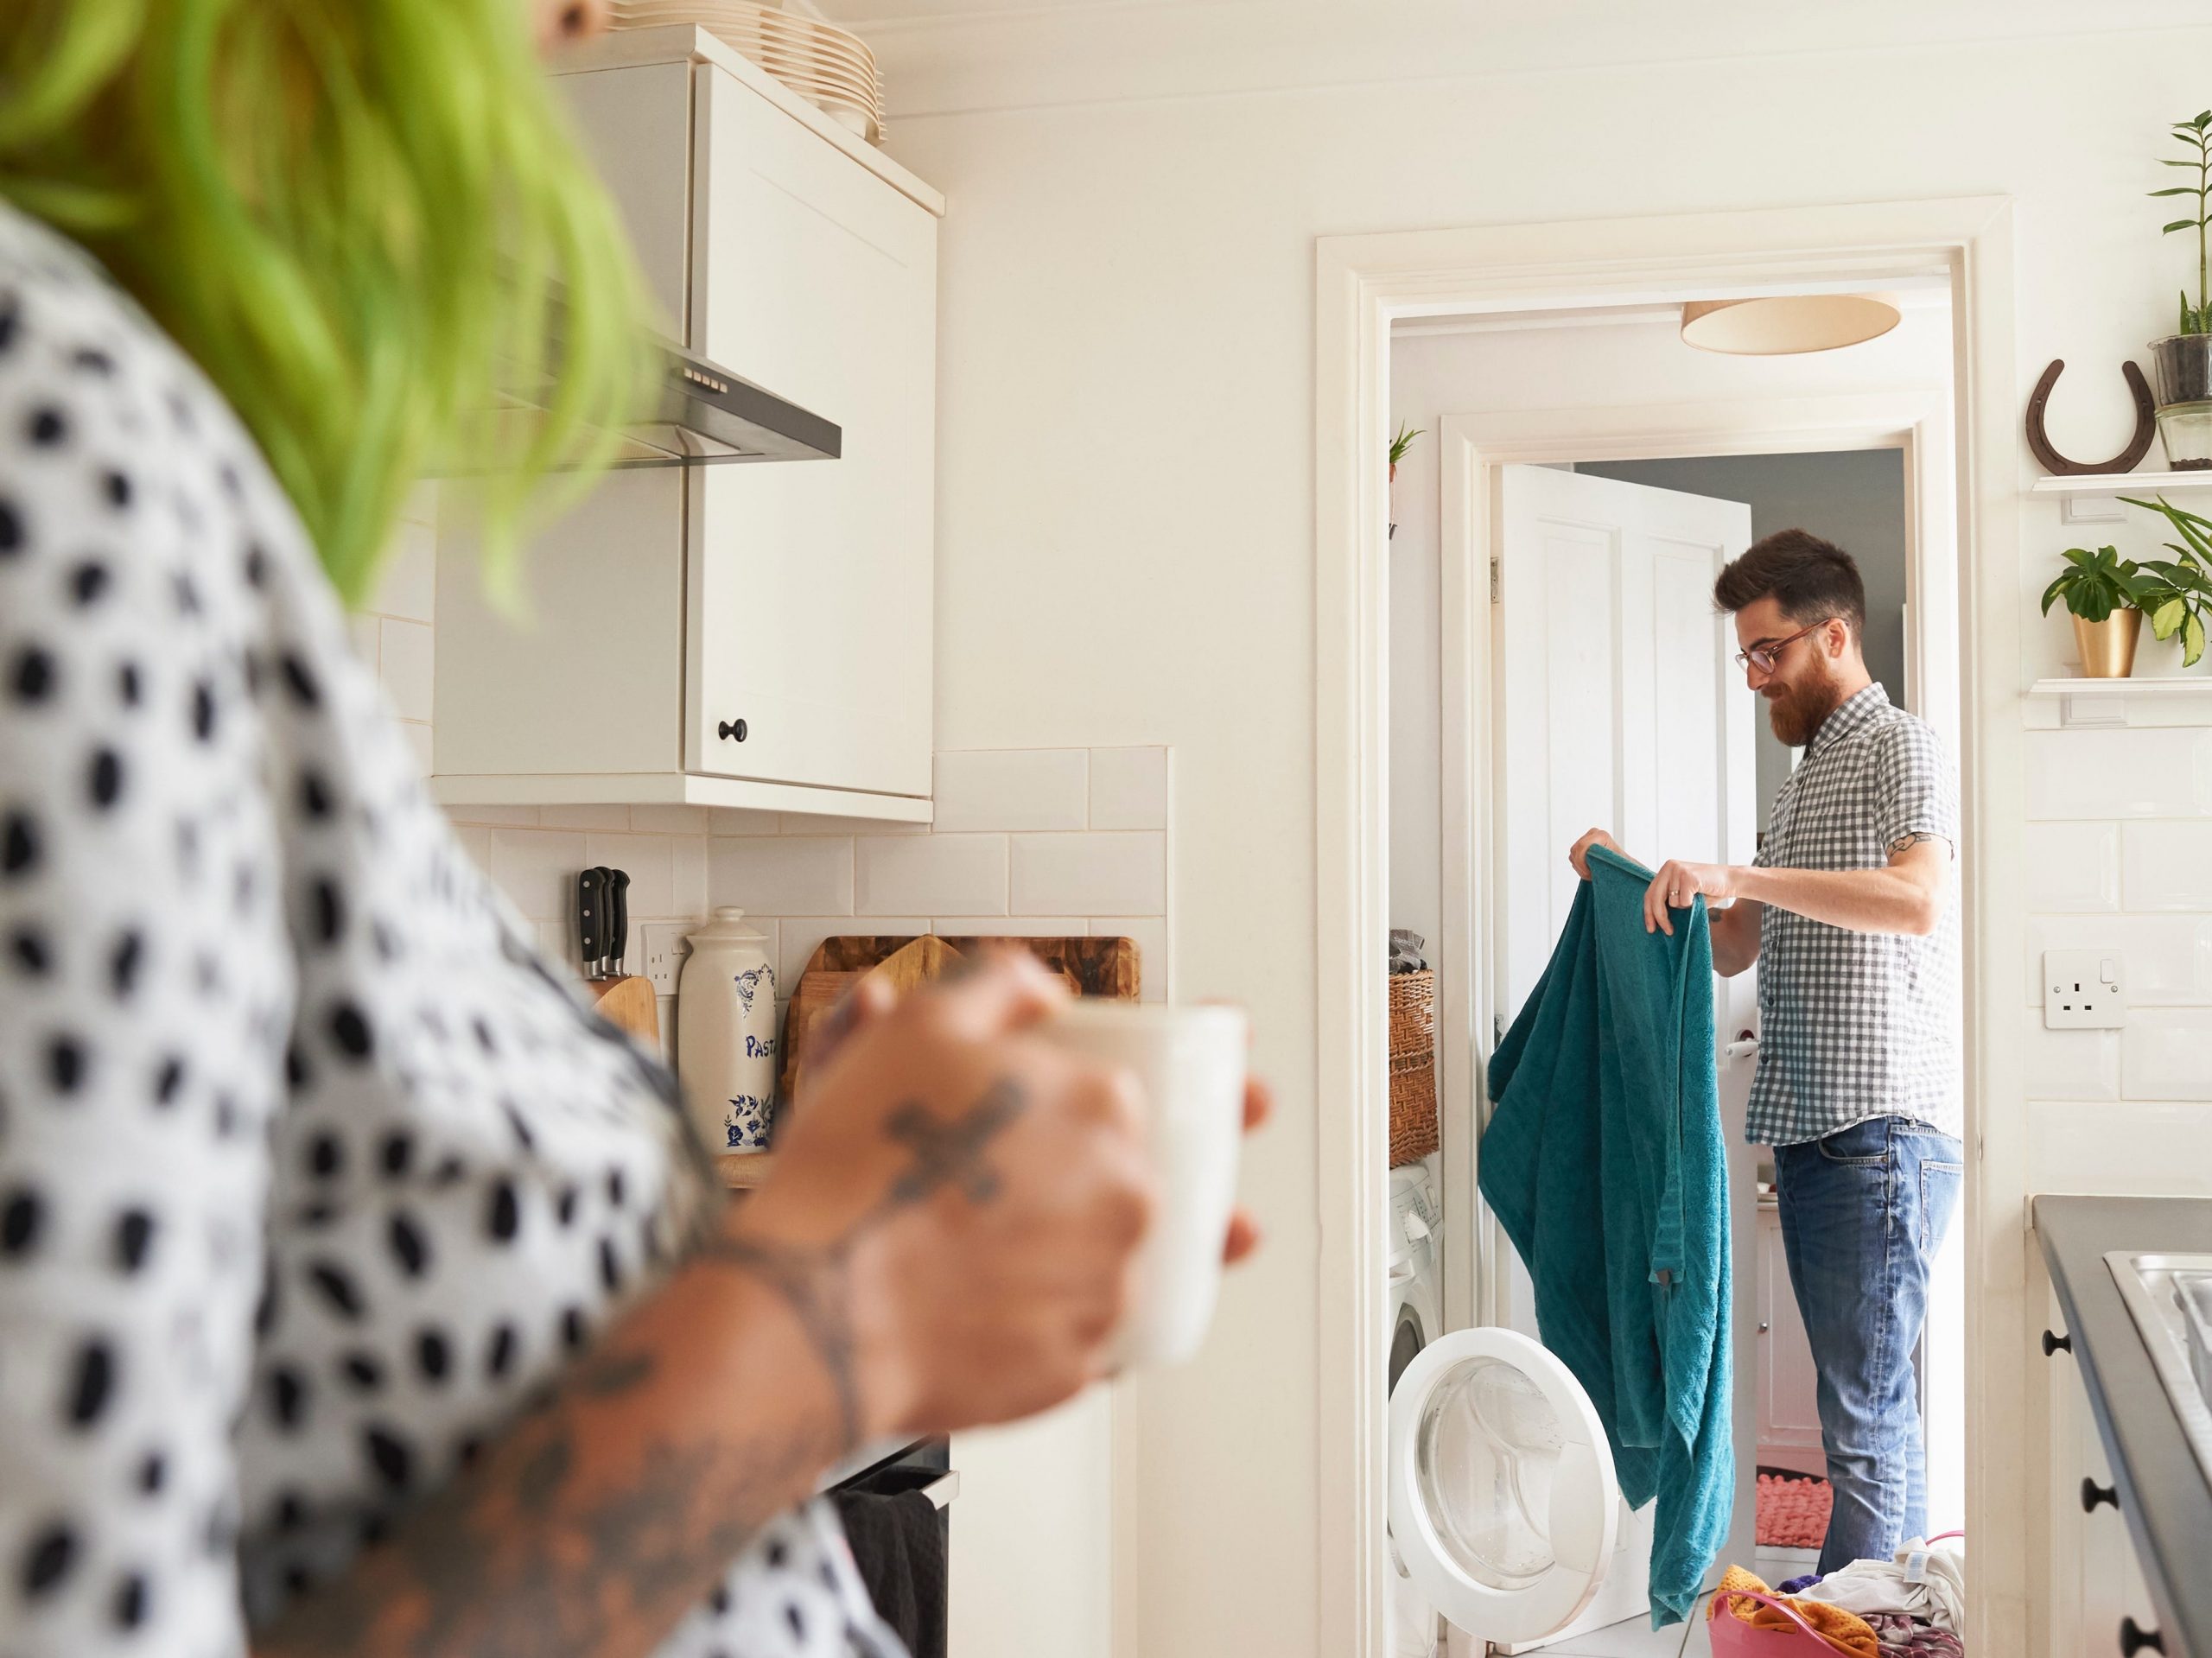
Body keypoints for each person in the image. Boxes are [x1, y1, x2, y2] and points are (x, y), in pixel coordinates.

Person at [0, 3, 1266, 1655]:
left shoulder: (138, 467)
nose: (592, 15)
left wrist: (815, 1222)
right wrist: (842, 1314)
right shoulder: (66, 440)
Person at [1569, 529, 1961, 1574]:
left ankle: (1846, 1624)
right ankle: (1890, 1619)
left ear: (1832, 635)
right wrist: (1649, 885)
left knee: (1863, 1427)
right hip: (1816, 1133)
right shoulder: (1800, 782)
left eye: (1767, 652)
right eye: (1743, 655)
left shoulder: (1898, 746)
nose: (1753, 677)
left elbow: (1917, 900)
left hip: (1875, 1134)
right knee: (1869, 1421)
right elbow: (1740, 943)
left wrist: (1741, 872)